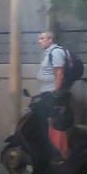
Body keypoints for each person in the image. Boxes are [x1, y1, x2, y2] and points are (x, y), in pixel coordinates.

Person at [36, 30, 69, 159]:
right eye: (39, 38)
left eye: (42, 38)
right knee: (51, 123)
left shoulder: (56, 52)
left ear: (50, 40)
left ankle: (60, 153)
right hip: (47, 92)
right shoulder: (49, 53)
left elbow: (59, 73)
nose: (39, 41)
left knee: (56, 124)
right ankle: (55, 152)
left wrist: (56, 94)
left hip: (52, 94)